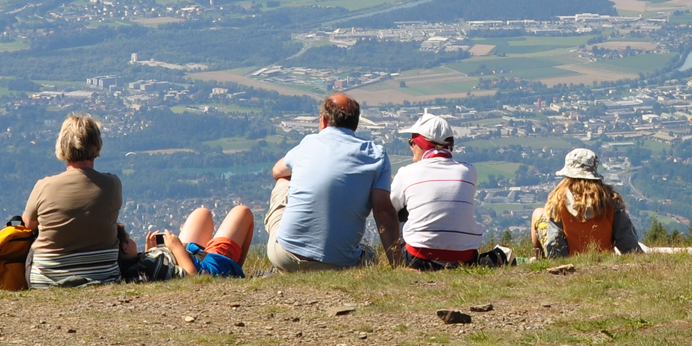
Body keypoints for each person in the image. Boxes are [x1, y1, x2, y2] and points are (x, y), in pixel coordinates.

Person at [266, 93, 396, 270]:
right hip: (341, 264)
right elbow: (383, 211)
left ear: (324, 120)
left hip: (285, 258)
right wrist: (398, 263)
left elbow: (277, 171)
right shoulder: (376, 155)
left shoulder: (308, 143)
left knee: (283, 180)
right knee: (369, 255)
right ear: (355, 123)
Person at [383, 111, 513, 268]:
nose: (410, 147)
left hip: (419, 258)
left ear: (422, 145)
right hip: (465, 257)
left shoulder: (407, 173)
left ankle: (395, 263)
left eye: (411, 142)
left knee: (400, 206)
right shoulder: (469, 171)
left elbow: (389, 208)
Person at [21, 113, 123, 287]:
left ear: (62, 146)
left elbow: (29, 224)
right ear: (97, 145)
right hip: (104, 277)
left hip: (46, 282)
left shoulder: (44, 186)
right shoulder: (112, 184)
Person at [532, 148, 642, 257]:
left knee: (538, 213)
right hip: (603, 259)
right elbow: (628, 243)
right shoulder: (610, 200)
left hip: (568, 261)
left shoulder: (559, 200)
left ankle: (538, 257)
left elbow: (554, 242)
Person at [139, 203, 256, 277]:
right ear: (125, 248)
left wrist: (150, 252)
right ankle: (232, 269)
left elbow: (148, 272)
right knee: (242, 211)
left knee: (202, 213)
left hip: (186, 254)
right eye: (129, 239)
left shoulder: (130, 266)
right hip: (207, 265)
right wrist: (176, 248)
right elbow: (192, 276)